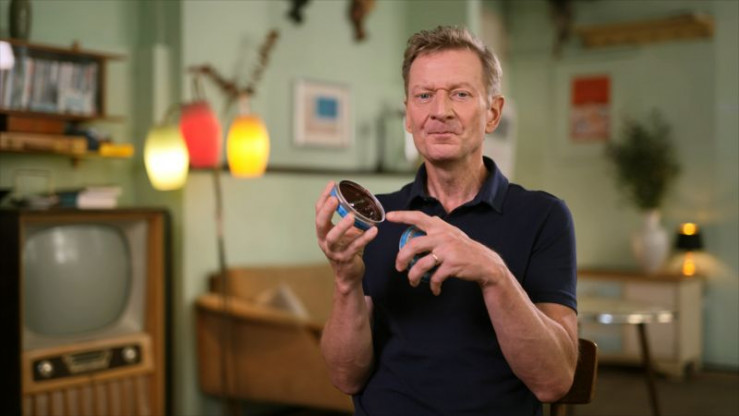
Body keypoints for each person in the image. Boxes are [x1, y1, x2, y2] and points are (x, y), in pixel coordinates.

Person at [314, 25, 578, 416]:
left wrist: (493, 273)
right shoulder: (378, 218)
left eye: (460, 94)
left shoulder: (544, 216)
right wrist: (345, 279)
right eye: (424, 95)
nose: (440, 111)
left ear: (493, 113)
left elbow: (555, 381)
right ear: (408, 115)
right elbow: (345, 378)